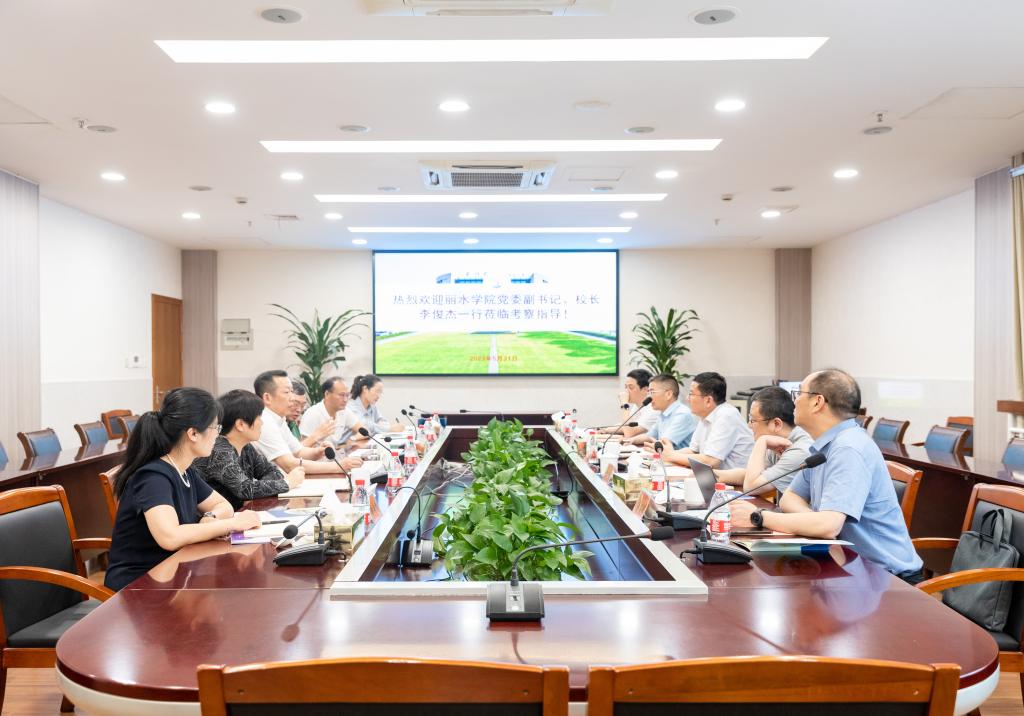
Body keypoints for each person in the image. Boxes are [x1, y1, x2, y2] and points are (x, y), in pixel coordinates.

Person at [731, 369, 925, 583]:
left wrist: (759, 517)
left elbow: (829, 526)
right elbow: (789, 499)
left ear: (817, 402)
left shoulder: (848, 448)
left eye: (799, 394)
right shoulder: (825, 445)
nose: (794, 402)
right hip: (847, 566)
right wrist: (815, 521)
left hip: (886, 578)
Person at [104, 388, 262, 591]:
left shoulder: (184, 470)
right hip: (138, 586)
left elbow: (223, 505)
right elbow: (170, 537)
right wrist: (231, 524)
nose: (218, 434)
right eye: (215, 427)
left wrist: (211, 517)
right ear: (193, 433)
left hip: (173, 574)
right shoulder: (153, 477)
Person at [191, 389, 306, 510]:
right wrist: (287, 483)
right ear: (240, 424)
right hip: (216, 518)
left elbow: (272, 472)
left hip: (239, 514)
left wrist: (257, 491)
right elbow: (245, 489)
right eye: (259, 418)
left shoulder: (246, 447)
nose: (262, 423)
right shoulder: (219, 451)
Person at [253, 370, 362, 474]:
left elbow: (299, 452)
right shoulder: (264, 421)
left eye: (291, 391)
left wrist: (319, 452)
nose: (292, 397)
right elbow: (289, 464)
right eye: (287, 392)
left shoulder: (279, 419)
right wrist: (338, 467)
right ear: (267, 398)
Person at [714, 386, 813, 492]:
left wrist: (761, 442)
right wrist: (712, 475)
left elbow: (751, 487)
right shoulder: (778, 440)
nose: (749, 425)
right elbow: (750, 475)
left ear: (776, 424)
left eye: (753, 420)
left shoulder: (799, 451)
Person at [665, 371, 753, 470]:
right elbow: (693, 451)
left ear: (708, 400)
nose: (687, 398)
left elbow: (711, 461)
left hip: (735, 478)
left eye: (691, 394)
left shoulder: (726, 415)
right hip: (713, 476)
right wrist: (666, 454)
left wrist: (671, 456)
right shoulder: (706, 416)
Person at [632, 374, 697, 449]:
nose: (649, 397)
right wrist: (630, 440)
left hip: (677, 456)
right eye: (649, 393)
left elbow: (664, 443)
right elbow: (649, 436)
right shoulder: (663, 413)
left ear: (668, 394)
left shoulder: (682, 414)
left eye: (652, 392)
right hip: (664, 455)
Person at [300, 376, 365, 448]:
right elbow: (302, 449)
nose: (345, 400)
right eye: (341, 395)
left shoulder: (344, 411)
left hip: (334, 453)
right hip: (317, 455)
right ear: (327, 394)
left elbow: (364, 431)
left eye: (347, 395)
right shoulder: (312, 414)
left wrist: (352, 439)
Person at [600, 368, 659, 440]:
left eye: (630, 387)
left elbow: (629, 433)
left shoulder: (653, 409)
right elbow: (626, 426)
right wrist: (605, 430)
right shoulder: (637, 405)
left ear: (646, 390)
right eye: (626, 387)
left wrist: (624, 404)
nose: (626, 391)